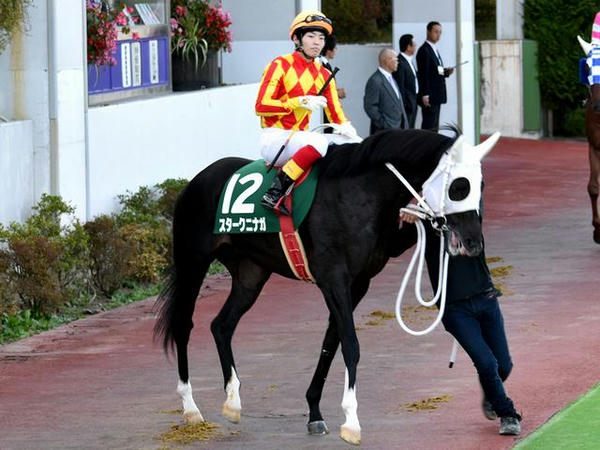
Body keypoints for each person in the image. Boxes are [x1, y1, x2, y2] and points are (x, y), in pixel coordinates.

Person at [398, 193, 522, 436]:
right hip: (455, 308)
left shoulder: (472, 208)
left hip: (486, 298)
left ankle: (491, 393)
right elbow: (394, 247)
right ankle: (508, 414)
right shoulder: (427, 219)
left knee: (503, 366)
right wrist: (410, 213)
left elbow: (473, 179)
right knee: (487, 363)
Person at [256, 10, 359, 215]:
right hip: (275, 138)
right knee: (319, 142)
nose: (317, 42)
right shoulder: (280, 65)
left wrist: (347, 128)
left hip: (300, 140)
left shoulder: (325, 74)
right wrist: (298, 102)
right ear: (297, 38)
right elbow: (261, 106)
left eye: (321, 38)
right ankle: (276, 191)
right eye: (311, 36)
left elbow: (336, 112)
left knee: (356, 145)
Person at [416, 21, 454, 130]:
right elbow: (424, 74)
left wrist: (446, 72)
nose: (438, 35)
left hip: (437, 95)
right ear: (428, 32)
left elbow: (435, 71)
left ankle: (434, 146)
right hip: (430, 96)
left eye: (440, 32)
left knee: (435, 126)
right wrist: (425, 94)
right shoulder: (424, 50)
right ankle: (427, 146)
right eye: (436, 32)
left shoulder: (434, 49)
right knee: (429, 126)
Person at [363, 48, 408, 135]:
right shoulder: (375, 80)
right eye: (396, 59)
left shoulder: (391, 78)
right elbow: (370, 107)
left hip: (399, 130)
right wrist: (384, 124)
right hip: (385, 132)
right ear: (387, 61)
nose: (398, 62)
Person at [318, 34, 346, 133]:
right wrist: (336, 93)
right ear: (329, 50)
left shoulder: (325, 65)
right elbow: (322, 90)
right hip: (324, 113)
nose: (336, 50)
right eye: (335, 48)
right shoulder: (322, 66)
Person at [392, 34, 419, 128]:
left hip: (413, 101)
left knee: (411, 129)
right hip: (407, 104)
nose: (415, 47)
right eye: (414, 45)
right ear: (408, 47)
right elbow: (400, 86)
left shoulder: (409, 61)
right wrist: (404, 105)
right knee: (406, 131)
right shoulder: (400, 62)